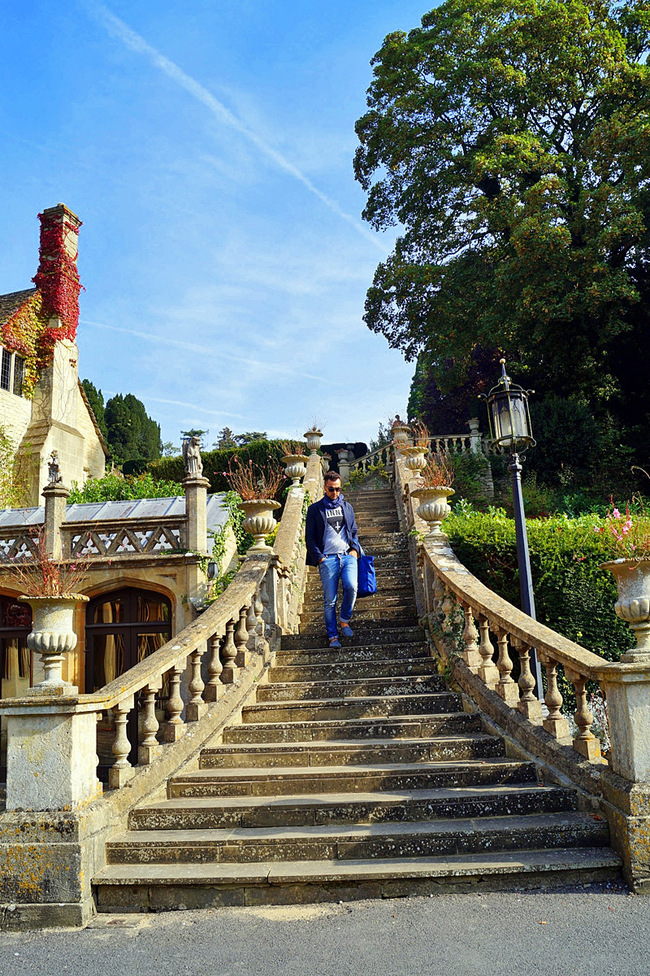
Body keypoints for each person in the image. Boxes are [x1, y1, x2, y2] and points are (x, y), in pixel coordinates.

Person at [305, 471, 360, 647]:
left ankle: (344, 619)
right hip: (327, 559)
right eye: (331, 489)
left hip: (347, 556)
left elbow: (353, 531)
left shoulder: (347, 507)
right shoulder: (315, 509)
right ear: (324, 488)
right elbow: (310, 537)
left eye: (338, 489)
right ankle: (332, 636)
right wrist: (319, 558)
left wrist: (355, 550)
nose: (335, 493)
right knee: (330, 600)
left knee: (352, 587)